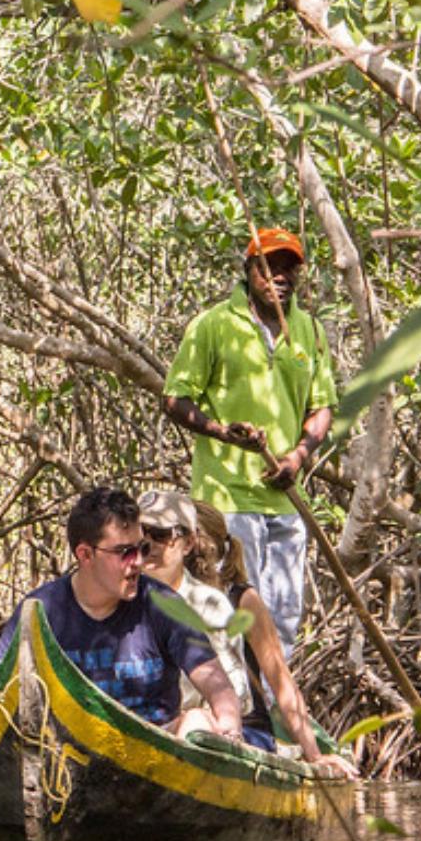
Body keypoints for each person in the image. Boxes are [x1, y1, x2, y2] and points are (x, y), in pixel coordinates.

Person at [162, 226, 336, 653]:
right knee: (231, 618)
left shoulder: (309, 332)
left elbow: (323, 407)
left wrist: (298, 456)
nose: (280, 276)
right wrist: (222, 433)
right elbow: (174, 399)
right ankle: (234, 714)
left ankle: (276, 714)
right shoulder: (214, 325)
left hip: (286, 498)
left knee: (285, 620)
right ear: (248, 270)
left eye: (288, 268)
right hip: (227, 500)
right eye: (269, 266)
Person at [0, 486, 243, 741]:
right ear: (85, 555)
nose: (139, 563)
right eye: (125, 553)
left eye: (141, 549)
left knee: (198, 720)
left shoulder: (163, 604)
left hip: (159, 752)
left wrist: (230, 727)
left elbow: (216, 682)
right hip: (68, 754)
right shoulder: (42, 609)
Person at [189, 499, 357, 777]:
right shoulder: (162, 595)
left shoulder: (242, 599)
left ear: (193, 544)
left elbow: (281, 682)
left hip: (246, 730)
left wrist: (314, 756)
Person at [136, 490, 255, 736]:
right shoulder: (115, 595)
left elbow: (236, 695)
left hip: (188, 733)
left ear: (188, 543)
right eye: (139, 533)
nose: (148, 545)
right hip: (128, 725)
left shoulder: (210, 606)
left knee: (195, 722)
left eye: (160, 535)